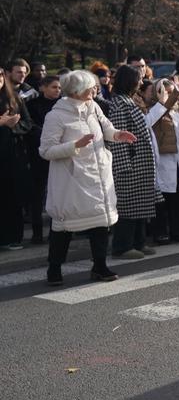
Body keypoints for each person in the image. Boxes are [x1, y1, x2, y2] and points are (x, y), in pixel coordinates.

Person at [40, 70, 138, 284]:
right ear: (75, 90)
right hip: (72, 179)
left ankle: (100, 266)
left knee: (100, 223)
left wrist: (117, 135)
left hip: (98, 175)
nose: (94, 90)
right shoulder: (56, 115)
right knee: (65, 226)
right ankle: (54, 268)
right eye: (89, 87)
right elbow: (46, 150)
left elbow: (106, 128)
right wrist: (74, 145)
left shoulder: (93, 107)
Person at [103, 65, 158, 257]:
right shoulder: (119, 104)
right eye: (139, 79)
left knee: (140, 205)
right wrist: (124, 167)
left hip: (140, 164)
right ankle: (122, 246)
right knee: (128, 207)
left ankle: (139, 242)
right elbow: (118, 139)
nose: (141, 83)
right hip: (131, 165)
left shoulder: (128, 101)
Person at [149, 78, 179, 244]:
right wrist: (161, 104)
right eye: (165, 91)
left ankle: (178, 230)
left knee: (177, 199)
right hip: (162, 162)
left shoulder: (177, 112)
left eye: (170, 92)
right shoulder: (153, 110)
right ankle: (160, 232)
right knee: (161, 200)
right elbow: (149, 123)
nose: (169, 95)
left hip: (178, 161)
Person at [0, 61, 33, 250]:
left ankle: (13, 237)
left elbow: (28, 123)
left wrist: (13, 125)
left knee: (13, 199)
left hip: (12, 156)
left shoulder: (15, 98)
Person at [26, 75, 62, 246]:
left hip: (60, 154)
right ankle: (37, 232)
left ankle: (59, 230)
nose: (57, 91)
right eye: (54, 87)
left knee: (59, 194)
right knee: (37, 196)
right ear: (43, 88)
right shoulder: (32, 105)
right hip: (39, 155)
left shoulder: (63, 105)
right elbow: (30, 126)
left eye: (60, 88)